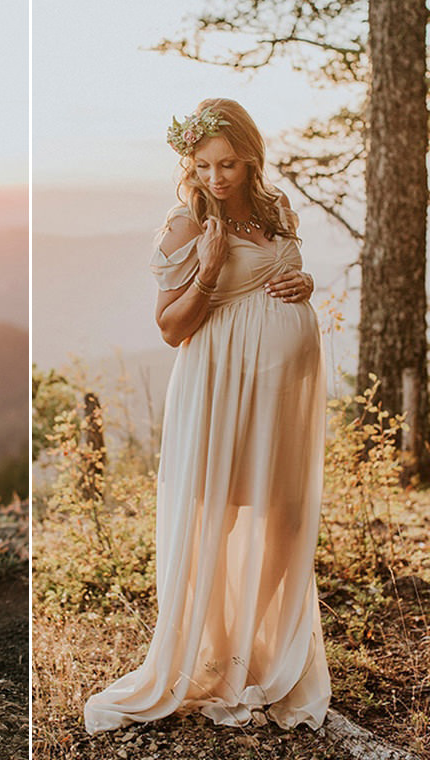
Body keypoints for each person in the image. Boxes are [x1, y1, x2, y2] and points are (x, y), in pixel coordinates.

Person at [84, 98, 331, 734]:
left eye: (227, 164)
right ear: (189, 167)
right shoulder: (185, 223)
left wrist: (304, 286)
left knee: (288, 514)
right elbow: (169, 328)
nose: (215, 177)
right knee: (216, 517)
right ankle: (208, 653)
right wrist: (211, 274)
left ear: (251, 160)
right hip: (222, 385)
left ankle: (258, 642)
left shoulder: (278, 211)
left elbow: (286, 275)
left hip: (281, 394)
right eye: (202, 165)